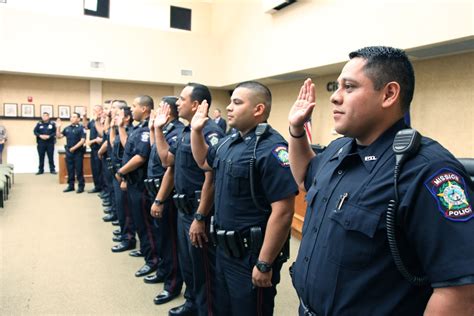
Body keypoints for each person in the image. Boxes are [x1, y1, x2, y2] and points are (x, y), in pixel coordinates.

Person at [288, 46, 474, 315]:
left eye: (349, 87)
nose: (335, 98)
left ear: (388, 94)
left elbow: (459, 292)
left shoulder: (425, 170)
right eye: (336, 87)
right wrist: (296, 131)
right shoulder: (340, 150)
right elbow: (305, 177)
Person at [190, 81, 298, 315]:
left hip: (251, 256)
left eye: (237, 102)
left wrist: (265, 263)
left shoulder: (271, 147)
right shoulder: (230, 141)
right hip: (224, 249)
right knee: (225, 309)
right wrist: (196, 131)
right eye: (230, 102)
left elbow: (284, 211)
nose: (229, 107)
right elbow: (203, 162)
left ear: (258, 109)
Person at [154, 83, 224, 316]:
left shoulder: (210, 132)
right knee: (189, 265)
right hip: (183, 210)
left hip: (198, 211)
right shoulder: (186, 131)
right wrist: (158, 129)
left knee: (203, 268)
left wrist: (200, 216)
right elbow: (167, 161)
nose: (177, 103)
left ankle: (206, 310)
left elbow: (211, 177)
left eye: (182, 99)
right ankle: (192, 304)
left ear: (195, 105)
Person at [115, 95, 160, 277]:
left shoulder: (145, 130)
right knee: (141, 224)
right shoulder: (139, 128)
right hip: (133, 183)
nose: (131, 109)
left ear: (144, 109)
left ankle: (153, 261)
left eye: (134, 106)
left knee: (145, 225)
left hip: (141, 185)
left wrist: (121, 172)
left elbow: (140, 157)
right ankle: (147, 253)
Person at [146, 96, 184, 305]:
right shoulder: (165, 129)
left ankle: (172, 284)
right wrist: (154, 129)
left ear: (168, 110)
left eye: (160, 107)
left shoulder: (177, 131)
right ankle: (163, 271)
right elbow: (156, 150)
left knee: (170, 242)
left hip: (166, 195)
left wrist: (160, 200)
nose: (156, 110)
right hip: (155, 191)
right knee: (161, 239)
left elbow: (169, 165)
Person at [109, 104, 137, 253]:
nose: (116, 116)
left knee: (125, 209)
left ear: (127, 117)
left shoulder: (131, 131)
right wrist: (113, 127)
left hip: (124, 176)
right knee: (121, 208)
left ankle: (128, 238)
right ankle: (124, 233)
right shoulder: (122, 130)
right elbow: (114, 144)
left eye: (119, 114)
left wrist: (124, 178)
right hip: (117, 173)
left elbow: (128, 152)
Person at [56, 112, 86, 193]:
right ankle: (71, 185)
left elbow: (83, 140)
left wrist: (74, 148)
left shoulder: (81, 128)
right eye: (71, 117)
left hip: (78, 152)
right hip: (69, 151)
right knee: (70, 169)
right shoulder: (67, 128)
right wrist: (58, 127)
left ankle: (81, 186)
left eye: (74, 117)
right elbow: (59, 136)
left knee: (79, 170)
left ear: (78, 119)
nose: (72, 118)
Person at [83, 105, 104, 193]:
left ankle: (103, 188)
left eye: (96, 110)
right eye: (93, 110)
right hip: (93, 149)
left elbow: (103, 134)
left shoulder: (103, 120)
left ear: (101, 111)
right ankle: (97, 187)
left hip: (101, 149)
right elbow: (85, 126)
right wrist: (84, 116)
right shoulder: (92, 121)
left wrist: (94, 140)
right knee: (95, 169)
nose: (94, 112)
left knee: (101, 170)